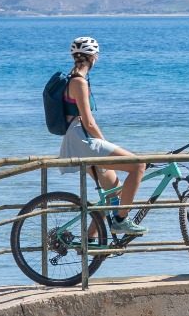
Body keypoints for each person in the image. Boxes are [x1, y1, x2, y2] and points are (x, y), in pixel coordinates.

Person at [59, 36, 145, 236]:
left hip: (77, 137)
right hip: (82, 138)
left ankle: (87, 241)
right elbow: (88, 122)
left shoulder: (73, 78)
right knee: (138, 165)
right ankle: (121, 220)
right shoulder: (79, 82)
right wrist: (105, 143)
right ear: (93, 57)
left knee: (113, 191)